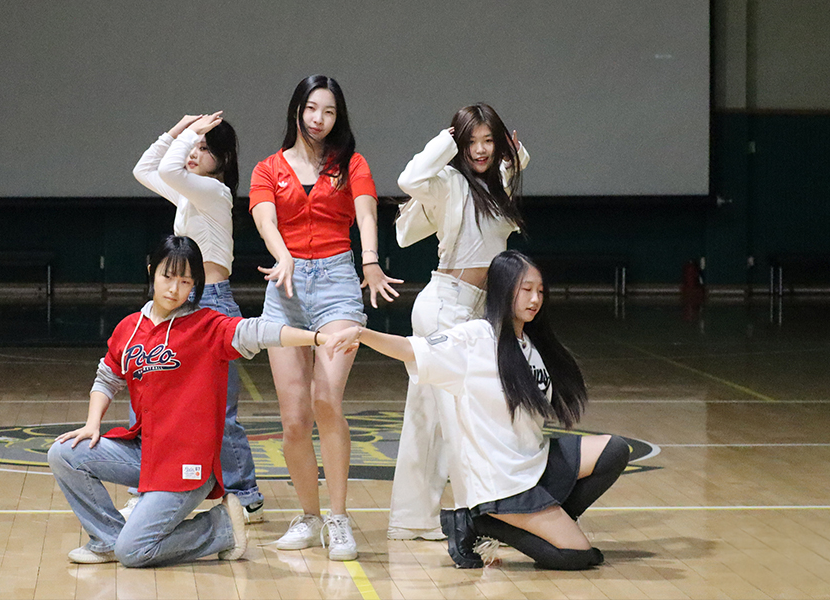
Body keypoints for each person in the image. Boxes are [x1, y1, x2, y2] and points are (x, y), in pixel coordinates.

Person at [325, 250, 630, 571]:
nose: (535, 299)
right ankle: (481, 522)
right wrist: (361, 334)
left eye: (540, 291)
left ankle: (546, 522)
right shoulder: (473, 338)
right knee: (579, 555)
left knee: (614, 450)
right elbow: (411, 349)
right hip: (502, 483)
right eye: (526, 290)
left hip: (534, 463)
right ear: (503, 289)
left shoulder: (530, 342)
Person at [48, 236, 333, 567]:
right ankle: (107, 540)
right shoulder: (130, 328)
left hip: (188, 466)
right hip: (146, 454)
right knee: (64, 454)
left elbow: (259, 332)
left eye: (185, 282)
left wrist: (317, 338)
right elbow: (107, 378)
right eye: (168, 277)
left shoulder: (207, 327)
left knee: (134, 552)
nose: (174, 289)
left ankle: (221, 528)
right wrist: (92, 423)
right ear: (152, 271)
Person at [248, 74, 401, 561]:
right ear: (297, 110)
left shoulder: (351, 163)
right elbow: (265, 219)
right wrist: (283, 256)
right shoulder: (268, 168)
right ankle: (309, 516)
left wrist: (370, 259)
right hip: (286, 289)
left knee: (326, 399)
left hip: (337, 284)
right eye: (312, 108)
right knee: (294, 420)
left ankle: (338, 518)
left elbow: (366, 214)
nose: (319, 119)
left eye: (329, 111)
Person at [388, 103, 530, 541]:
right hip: (445, 306)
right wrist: (446, 140)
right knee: (436, 415)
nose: (480, 150)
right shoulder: (449, 182)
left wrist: (510, 151)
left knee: (456, 416)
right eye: (471, 142)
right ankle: (424, 519)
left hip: (481, 311)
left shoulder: (499, 186)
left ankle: (434, 517)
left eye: (488, 141)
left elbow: (519, 160)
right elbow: (409, 179)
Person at [131, 112, 265, 523]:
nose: (194, 152)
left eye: (205, 148)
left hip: (211, 305)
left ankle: (245, 495)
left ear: (223, 158)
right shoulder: (191, 195)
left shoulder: (214, 192)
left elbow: (167, 169)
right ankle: (151, 487)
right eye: (193, 147)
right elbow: (144, 170)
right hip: (181, 305)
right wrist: (178, 130)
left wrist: (189, 132)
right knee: (159, 400)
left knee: (218, 412)